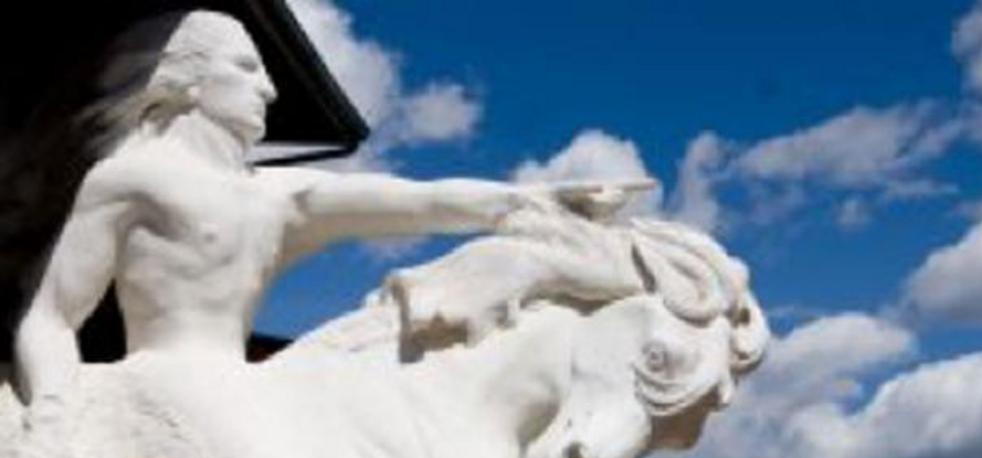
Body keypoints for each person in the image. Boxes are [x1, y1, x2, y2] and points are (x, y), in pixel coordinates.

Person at [13, 10, 583, 411]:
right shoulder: (132, 178)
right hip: (159, 394)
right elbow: (50, 319)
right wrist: (58, 414)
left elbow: (420, 200)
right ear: (188, 80)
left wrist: (532, 202)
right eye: (246, 67)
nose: (269, 89)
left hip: (243, 393)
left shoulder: (274, 195)